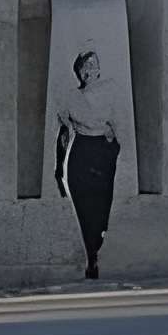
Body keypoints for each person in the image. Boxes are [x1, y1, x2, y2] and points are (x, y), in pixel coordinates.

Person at [54, 49, 121, 279]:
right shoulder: (72, 97)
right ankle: (90, 255)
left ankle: (97, 247)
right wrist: (59, 166)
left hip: (102, 153)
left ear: (99, 69)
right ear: (79, 71)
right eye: (84, 66)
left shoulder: (110, 92)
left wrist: (112, 151)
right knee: (83, 208)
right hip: (80, 153)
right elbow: (63, 134)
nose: (89, 70)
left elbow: (118, 130)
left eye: (93, 65)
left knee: (101, 210)